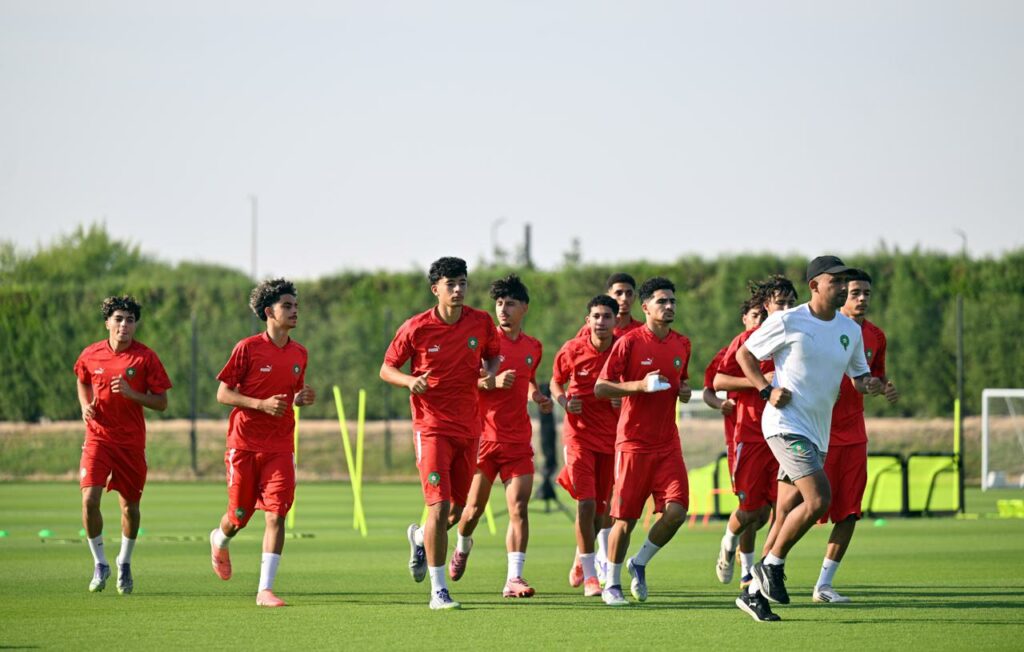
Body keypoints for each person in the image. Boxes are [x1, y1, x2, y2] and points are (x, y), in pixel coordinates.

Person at [735, 256, 881, 618]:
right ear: (815, 285)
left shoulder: (850, 330)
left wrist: (870, 384)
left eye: (847, 281)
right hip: (785, 424)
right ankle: (771, 565)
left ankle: (754, 593)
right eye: (837, 281)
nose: (844, 288)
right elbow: (744, 354)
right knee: (820, 500)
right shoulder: (789, 319)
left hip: (818, 432)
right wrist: (765, 390)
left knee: (785, 511)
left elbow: (858, 377)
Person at [380, 256, 500, 610]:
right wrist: (409, 380)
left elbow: (493, 356)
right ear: (436, 289)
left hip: (469, 427)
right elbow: (386, 369)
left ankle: (418, 538)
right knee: (438, 505)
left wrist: (488, 373)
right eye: (451, 284)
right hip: (431, 427)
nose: (459, 289)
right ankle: (438, 591)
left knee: (457, 510)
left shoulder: (480, 322)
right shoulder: (416, 327)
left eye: (463, 282)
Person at [208, 278, 316, 608]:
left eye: (296, 306)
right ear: (269, 311)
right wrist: (259, 404)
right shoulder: (247, 348)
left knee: (276, 514)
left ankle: (264, 589)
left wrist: (301, 398)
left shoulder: (300, 352)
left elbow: (291, 391)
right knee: (239, 516)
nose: (294, 311)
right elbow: (223, 393)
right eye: (287, 306)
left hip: (281, 446)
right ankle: (219, 538)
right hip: (243, 444)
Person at [449, 274, 552, 598]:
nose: (503, 309)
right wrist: (490, 383)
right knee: (470, 512)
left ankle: (513, 578)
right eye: (499, 303)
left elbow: (530, 378)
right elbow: (467, 381)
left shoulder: (534, 346)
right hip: (483, 439)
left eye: (510, 304)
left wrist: (537, 396)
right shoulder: (482, 340)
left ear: (524, 308)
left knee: (518, 508)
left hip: (518, 442)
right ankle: (463, 546)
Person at [594, 277, 693, 606]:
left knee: (677, 512)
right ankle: (611, 582)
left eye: (672, 301)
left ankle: (640, 562)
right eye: (662, 301)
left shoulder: (682, 344)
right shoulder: (629, 342)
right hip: (633, 444)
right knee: (625, 520)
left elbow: (683, 381)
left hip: (668, 444)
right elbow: (601, 387)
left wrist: (685, 391)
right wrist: (639, 386)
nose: (669, 307)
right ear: (646, 307)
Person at [713, 276, 797, 621]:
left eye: (793, 302)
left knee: (780, 510)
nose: (788, 310)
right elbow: (716, 381)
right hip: (749, 433)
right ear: (765, 307)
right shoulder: (746, 341)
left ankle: (755, 579)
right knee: (753, 512)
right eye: (781, 303)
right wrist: (762, 385)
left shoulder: (797, 337)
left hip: (789, 432)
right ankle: (729, 542)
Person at [75, 295, 172, 595]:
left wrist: (133, 394)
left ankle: (124, 562)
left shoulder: (146, 358)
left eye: (130, 320)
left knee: (130, 508)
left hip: (130, 444)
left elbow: (162, 402)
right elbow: (81, 378)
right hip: (98, 438)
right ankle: (100, 562)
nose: (124, 325)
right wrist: (84, 405)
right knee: (89, 499)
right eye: (118, 319)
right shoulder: (91, 354)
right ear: (107, 322)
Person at [813, 269, 899, 603]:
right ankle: (769, 570)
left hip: (853, 435)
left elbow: (874, 377)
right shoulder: (822, 328)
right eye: (854, 293)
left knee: (849, 512)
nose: (861, 298)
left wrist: (882, 387)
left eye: (866, 292)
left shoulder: (876, 335)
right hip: (813, 431)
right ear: (838, 294)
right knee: (793, 508)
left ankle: (823, 585)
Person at [551, 295, 621, 597]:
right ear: (587, 320)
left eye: (607, 316)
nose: (601, 322)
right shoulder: (572, 349)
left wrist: (624, 397)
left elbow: (635, 384)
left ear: (616, 321)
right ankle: (593, 576)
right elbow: (555, 383)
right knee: (586, 502)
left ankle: (583, 556)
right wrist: (565, 401)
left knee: (604, 511)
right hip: (578, 437)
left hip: (611, 440)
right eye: (596, 316)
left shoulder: (624, 350)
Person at [575, 272, 644, 338]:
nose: (624, 298)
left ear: (634, 297)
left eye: (629, 294)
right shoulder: (592, 328)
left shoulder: (642, 331)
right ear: (608, 296)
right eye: (618, 293)